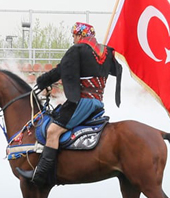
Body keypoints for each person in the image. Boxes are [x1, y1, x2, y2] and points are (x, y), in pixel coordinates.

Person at [17, 22, 122, 187]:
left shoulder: (77, 50)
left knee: (52, 131)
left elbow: (61, 70)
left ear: (80, 35)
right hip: (97, 103)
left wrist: (42, 81)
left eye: (74, 36)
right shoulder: (106, 52)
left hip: (81, 102)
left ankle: (41, 175)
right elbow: (117, 70)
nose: (73, 40)